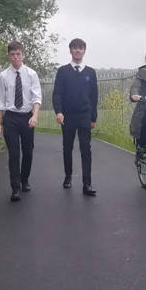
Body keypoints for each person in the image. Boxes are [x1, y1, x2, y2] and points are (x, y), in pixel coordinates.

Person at [0, 41, 42, 202]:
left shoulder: (31, 74)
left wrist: (34, 116)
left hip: (27, 116)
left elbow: (37, 98)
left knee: (28, 151)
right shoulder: (3, 76)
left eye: (18, 54)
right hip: (11, 118)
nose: (16, 57)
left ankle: (24, 180)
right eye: (13, 55)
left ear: (23, 55)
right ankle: (15, 188)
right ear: (9, 56)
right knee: (14, 154)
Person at [52, 38, 98, 196]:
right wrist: (58, 111)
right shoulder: (63, 71)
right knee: (68, 147)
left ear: (84, 51)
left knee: (86, 149)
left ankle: (87, 184)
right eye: (75, 48)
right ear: (70, 50)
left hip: (85, 115)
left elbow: (94, 96)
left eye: (80, 48)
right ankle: (68, 176)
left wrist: (93, 118)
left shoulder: (90, 72)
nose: (78, 50)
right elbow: (57, 93)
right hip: (68, 116)